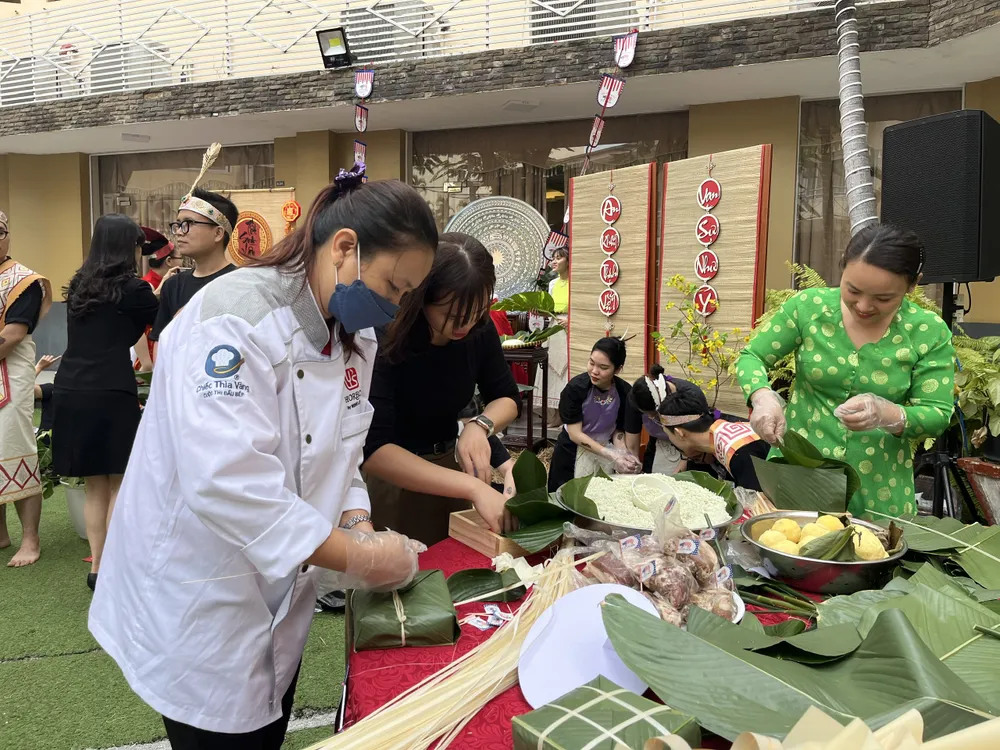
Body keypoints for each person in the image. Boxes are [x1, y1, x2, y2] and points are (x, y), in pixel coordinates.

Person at [89, 164, 437, 749]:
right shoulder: (233, 319)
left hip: (282, 596)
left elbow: (345, 450)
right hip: (202, 593)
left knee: (266, 724)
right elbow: (228, 484)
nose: (395, 306)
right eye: (393, 286)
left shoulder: (355, 335)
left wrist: (358, 523)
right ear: (345, 249)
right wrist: (358, 556)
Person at [737, 223, 955, 517]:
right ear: (842, 267)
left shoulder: (927, 331)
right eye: (853, 290)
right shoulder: (808, 308)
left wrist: (888, 413)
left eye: (884, 298)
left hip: (879, 487)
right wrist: (762, 396)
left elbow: (937, 413)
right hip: (800, 474)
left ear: (913, 285)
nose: (863, 306)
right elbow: (752, 356)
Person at [363, 232, 520, 545]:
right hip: (396, 479)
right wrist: (474, 488)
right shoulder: (385, 336)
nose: (464, 325)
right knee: (401, 576)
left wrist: (480, 426)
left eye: (475, 313)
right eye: (451, 315)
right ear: (421, 296)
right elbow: (375, 449)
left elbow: (506, 397)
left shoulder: (478, 329)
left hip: (451, 468)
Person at [52, 214, 160, 591]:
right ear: (125, 247)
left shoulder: (80, 284)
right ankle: (116, 567)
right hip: (110, 390)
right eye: (136, 245)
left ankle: (97, 567)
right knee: (119, 484)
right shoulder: (133, 289)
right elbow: (162, 321)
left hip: (70, 388)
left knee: (95, 485)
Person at [0, 209, 53, 567]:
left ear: (6, 235)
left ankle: (30, 539)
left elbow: (12, 336)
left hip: (10, 370)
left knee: (15, 446)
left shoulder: (24, 280)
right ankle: (0, 535)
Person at [632, 369, 769, 489]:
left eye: (669, 434)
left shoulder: (738, 453)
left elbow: (759, 508)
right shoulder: (725, 434)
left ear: (679, 433)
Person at [149, 187, 239, 358]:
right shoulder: (173, 285)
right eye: (177, 224)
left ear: (218, 233)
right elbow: (161, 343)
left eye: (188, 224)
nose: (179, 232)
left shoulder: (239, 284)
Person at [547, 337, 642, 492]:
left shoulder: (624, 391)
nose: (594, 371)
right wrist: (610, 454)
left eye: (603, 367)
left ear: (617, 369)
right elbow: (575, 434)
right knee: (567, 498)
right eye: (591, 363)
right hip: (572, 451)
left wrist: (623, 453)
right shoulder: (575, 389)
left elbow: (618, 429)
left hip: (606, 449)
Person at [624, 365, 686, 475]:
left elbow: (689, 451)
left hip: (687, 449)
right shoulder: (636, 398)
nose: (650, 418)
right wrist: (633, 467)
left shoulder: (683, 398)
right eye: (646, 414)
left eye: (654, 415)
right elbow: (632, 445)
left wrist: (674, 480)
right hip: (657, 446)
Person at [536, 246, 570, 423]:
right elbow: (549, 309)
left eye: (559, 258)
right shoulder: (552, 284)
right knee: (552, 369)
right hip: (554, 327)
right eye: (553, 258)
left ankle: (567, 414)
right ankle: (553, 415)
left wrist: (571, 320)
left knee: (566, 370)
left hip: (569, 329)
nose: (554, 261)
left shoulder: (576, 283)